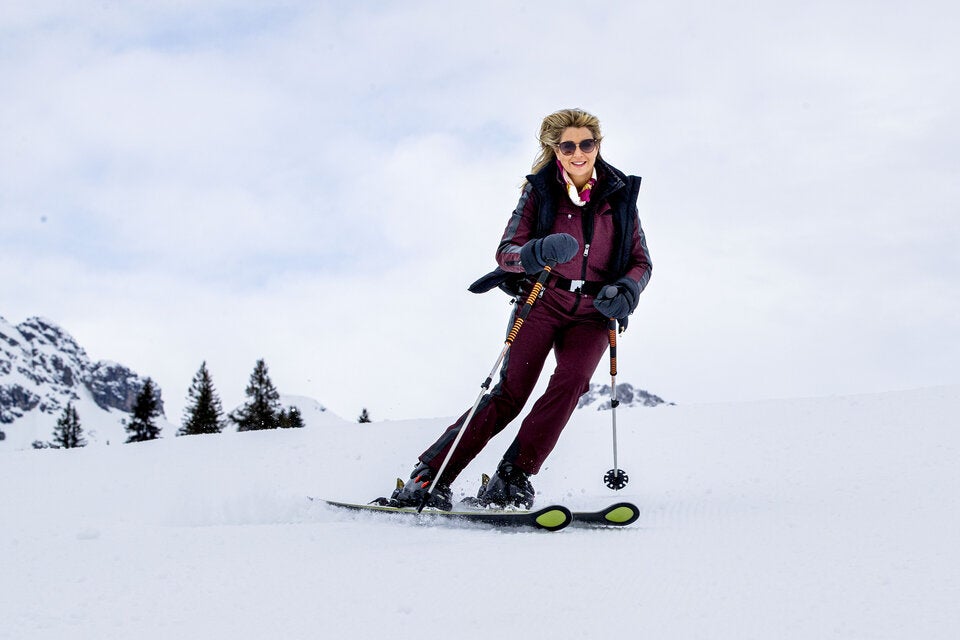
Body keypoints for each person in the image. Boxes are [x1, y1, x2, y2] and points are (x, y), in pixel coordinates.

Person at [387, 108, 652, 510]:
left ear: (598, 145)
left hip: (594, 311)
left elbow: (640, 261)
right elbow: (506, 251)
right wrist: (537, 252)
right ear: (554, 150)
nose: (579, 152)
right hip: (542, 301)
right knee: (510, 393)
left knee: (572, 382)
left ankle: (513, 475)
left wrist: (628, 289)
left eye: (587, 143)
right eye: (568, 145)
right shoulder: (540, 192)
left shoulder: (620, 196)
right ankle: (430, 476)